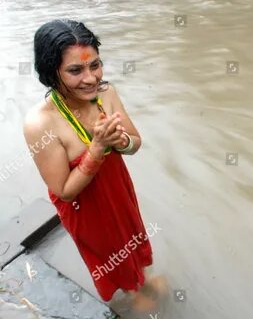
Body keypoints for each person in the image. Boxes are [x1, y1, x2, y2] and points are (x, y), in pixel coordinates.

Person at [23, 19, 166, 311]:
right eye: (75, 70)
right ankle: (132, 294)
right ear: (52, 72)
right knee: (110, 253)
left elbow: (136, 144)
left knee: (132, 235)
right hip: (85, 207)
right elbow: (63, 191)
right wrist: (98, 148)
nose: (90, 78)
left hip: (118, 188)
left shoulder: (105, 93)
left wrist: (120, 140)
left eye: (95, 65)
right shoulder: (40, 123)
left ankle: (141, 281)